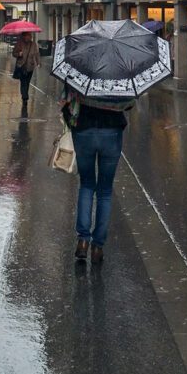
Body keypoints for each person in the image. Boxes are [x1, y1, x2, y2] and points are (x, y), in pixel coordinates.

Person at [62, 85, 134, 265]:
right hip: (112, 131)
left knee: (86, 185)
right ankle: (97, 247)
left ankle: (83, 240)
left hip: (84, 129)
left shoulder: (81, 65)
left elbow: (66, 99)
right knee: (105, 191)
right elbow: (129, 103)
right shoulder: (120, 72)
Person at [11, 32, 39, 116]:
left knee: (27, 82)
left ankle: (24, 95)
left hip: (30, 67)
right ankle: (25, 98)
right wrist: (18, 54)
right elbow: (14, 53)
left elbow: (37, 54)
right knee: (23, 82)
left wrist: (38, 62)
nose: (30, 37)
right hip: (22, 66)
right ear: (24, 36)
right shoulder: (19, 44)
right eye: (28, 36)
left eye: (30, 36)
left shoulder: (33, 44)